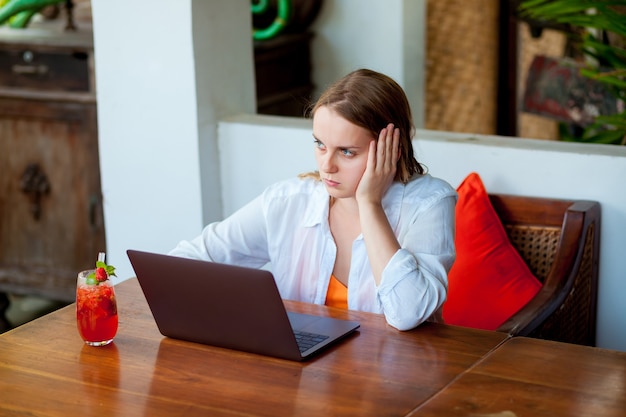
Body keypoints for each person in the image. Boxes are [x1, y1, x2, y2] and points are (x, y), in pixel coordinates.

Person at [169, 68, 457, 331]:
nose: (327, 166)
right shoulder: (288, 201)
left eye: (347, 152)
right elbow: (184, 262)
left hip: (395, 378)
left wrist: (369, 203)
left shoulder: (429, 204)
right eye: (320, 145)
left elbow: (408, 313)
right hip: (303, 374)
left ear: (390, 150)